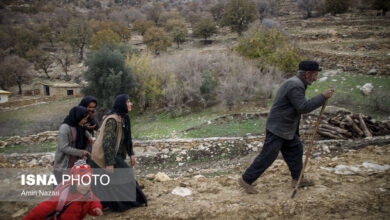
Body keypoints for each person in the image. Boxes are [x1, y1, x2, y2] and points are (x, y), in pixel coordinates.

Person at [238, 60, 334, 194]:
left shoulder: (297, 83)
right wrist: (322, 97)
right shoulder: (295, 85)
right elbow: (303, 107)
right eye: (315, 74)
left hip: (286, 127)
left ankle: (297, 179)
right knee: (268, 155)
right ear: (307, 74)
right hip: (279, 127)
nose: (316, 78)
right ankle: (246, 180)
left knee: (295, 149)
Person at [90, 94, 147, 212]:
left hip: (116, 154)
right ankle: (131, 202)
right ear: (122, 104)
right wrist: (109, 163)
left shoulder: (124, 118)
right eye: (128, 102)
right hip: (104, 155)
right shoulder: (112, 120)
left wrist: (131, 153)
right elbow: (107, 143)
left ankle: (123, 204)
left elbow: (128, 137)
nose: (131, 104)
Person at [23, 160, 103, 220]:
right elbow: (41, 210)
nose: (84, 186)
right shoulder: (63, 197)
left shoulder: (88, 193)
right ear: (73, 182)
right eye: (80, 182)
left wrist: (96, 208)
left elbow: (94, 201)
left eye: (87, 182)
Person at [53, 106, 91, 185]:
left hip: (75, 162)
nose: (85, 121)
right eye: (84, 118)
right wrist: (80, 152)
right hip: (65, 164)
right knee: (62, 188)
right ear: (78, 117)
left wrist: (89, 137)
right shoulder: (65, 128)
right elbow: (63, 147)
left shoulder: (79, 126)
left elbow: (83, 131)